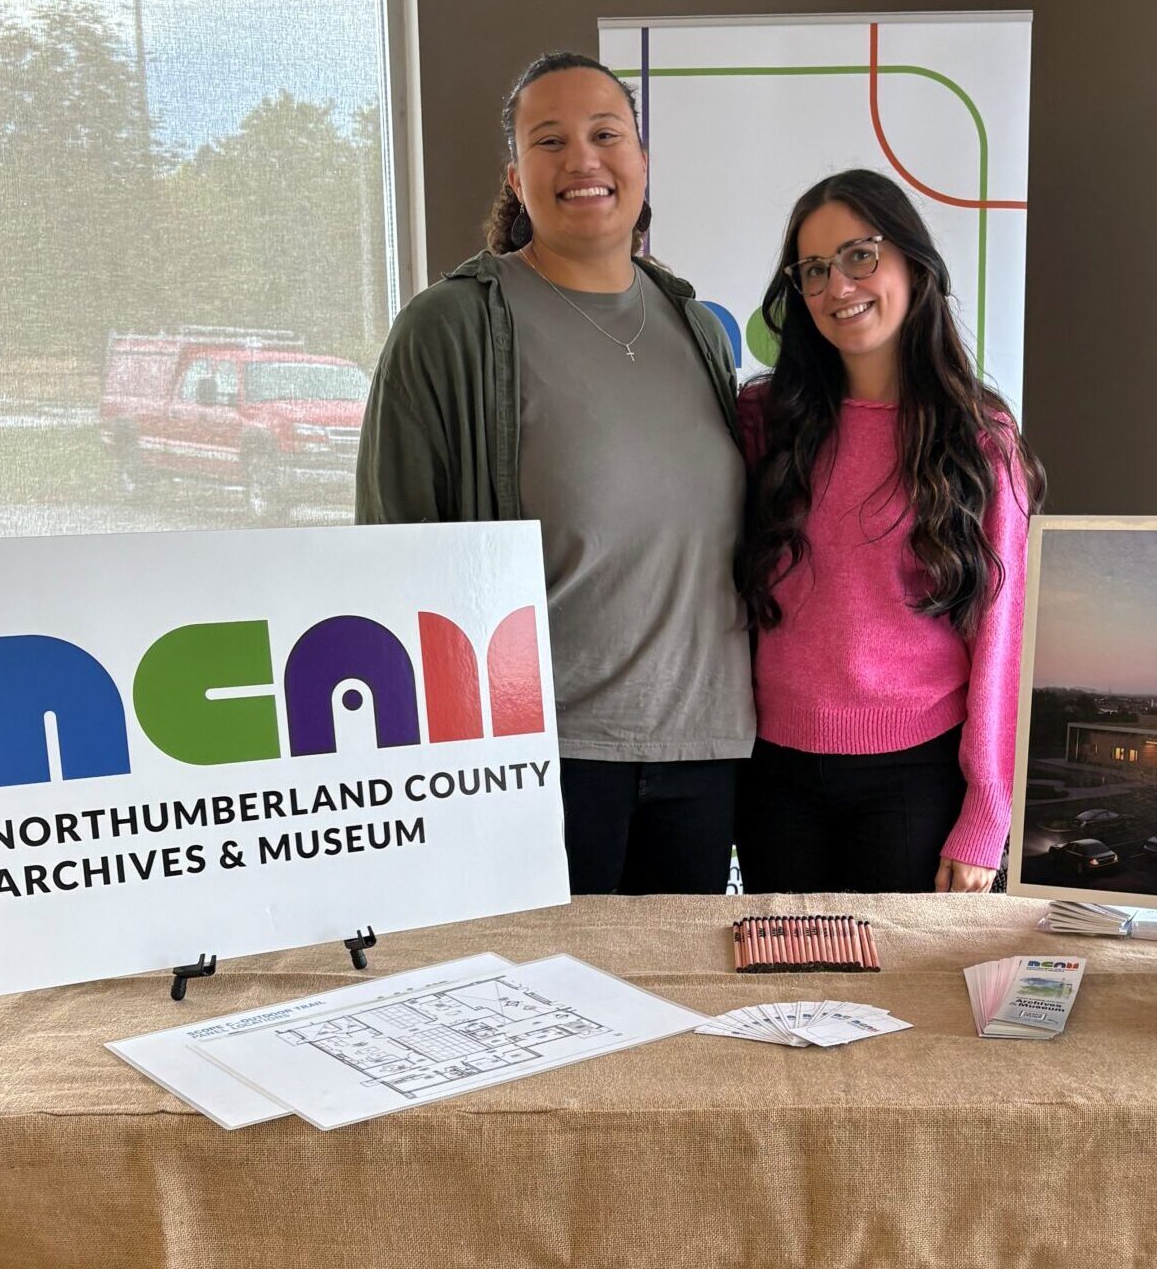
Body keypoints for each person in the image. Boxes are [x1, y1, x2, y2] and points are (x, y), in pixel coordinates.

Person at [355, 52, 753, 895]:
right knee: (546, 1012)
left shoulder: (696, 325)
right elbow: (389, 562)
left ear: (642, 160)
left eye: (607, 134)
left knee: (681, 1015)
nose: (584, 159)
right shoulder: (451, 327)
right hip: (542, 761)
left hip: (703, 751)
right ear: (516, 174)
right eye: (550, 140)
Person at [736, 169, 1044, 895]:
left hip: (913, 780)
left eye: (860, 255)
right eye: (814, 270)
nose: (838, 286)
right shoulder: (766, 424)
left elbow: (1002, 636)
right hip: (773, 775)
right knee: (786, 996)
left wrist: (988, 814)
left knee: (899, 1004)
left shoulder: (979, 438)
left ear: (912, 261)